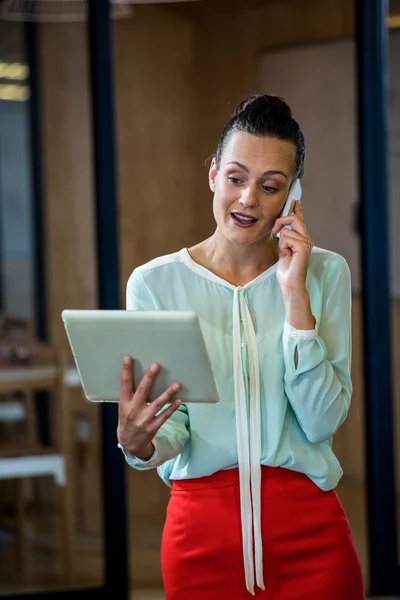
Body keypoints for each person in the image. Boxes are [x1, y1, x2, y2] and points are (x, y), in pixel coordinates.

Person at [117, 94, 365, 600]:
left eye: (270, 186)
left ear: (293, 194)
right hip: (201, 540)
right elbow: (172, 432)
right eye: (235, 178)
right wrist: (137, 443)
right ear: (213, 175)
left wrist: (294, 296)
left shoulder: (325, 274)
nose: (248, 198)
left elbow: (320, 422)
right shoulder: (155, 284)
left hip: (312, 535)